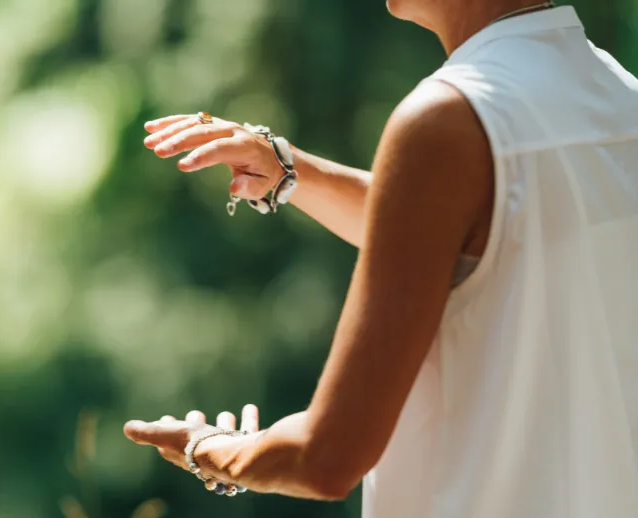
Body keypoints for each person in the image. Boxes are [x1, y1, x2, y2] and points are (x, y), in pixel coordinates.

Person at [123, 1, 638, 517]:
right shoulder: (618, 95)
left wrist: (207, 448)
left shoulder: (447, 116)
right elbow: (479, 232)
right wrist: (288, 168)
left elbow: (324, 457)